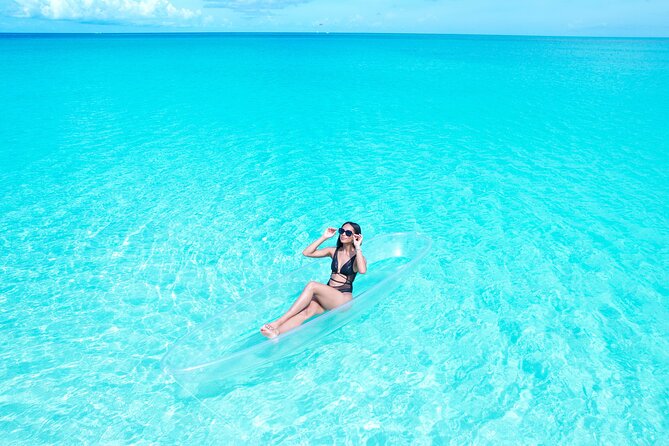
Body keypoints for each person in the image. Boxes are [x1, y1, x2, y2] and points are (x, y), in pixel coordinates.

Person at [260, 222, 367, 338]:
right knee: (306, 312)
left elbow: (362, 270)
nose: (343, 235)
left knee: (312, 285)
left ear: (355, 236)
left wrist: (358, 247)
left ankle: (278, 322)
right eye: (342, 231)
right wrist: (324, 237)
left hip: (342, 300)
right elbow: (307, 253)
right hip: (328, 297)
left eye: (348, 233)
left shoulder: (357, 257)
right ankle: (277, 333)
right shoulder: (333, 251)